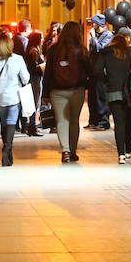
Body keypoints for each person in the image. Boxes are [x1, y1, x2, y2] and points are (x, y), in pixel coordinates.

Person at [43, 21, 91, 163]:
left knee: (61, 120)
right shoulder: (81, 50)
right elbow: (90, 70)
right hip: (77, 89)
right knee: (74, 120)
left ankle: (65, 151)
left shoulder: (54, 50)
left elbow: (48, 73)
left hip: (57, 91)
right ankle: (73, 150)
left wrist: (45, 94)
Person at [95, 32, 131, 163]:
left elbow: (97, 71)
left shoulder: (106, 52)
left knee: (119, 124)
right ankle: (128, 150)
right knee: (129, 123)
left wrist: (108, 80)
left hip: (114, 92)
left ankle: (121, 155)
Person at [0, 33, 30, 166]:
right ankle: (7, 148)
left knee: (4, 123)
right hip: (14, 96)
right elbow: (26, 78)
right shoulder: (18, 59)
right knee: (10, 123)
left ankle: (7, 151)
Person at [85, 13, 113, 131]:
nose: (92, 25)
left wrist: (93, 38)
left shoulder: (108, 35)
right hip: (93, 71)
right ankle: (93, 121)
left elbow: (98, 49)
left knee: (101, 97)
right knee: (92, 98)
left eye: (93, 23)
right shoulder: (96, 35)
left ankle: (103, 122)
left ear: (98, 24)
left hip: (102, 72)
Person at [24, 31, 45, 136]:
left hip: (35, 78)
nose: (43, 40)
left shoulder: (33, 49)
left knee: (35, 102)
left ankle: (31, 126)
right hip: (35, 79)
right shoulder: (34, 51)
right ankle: (32, 127)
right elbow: (34, 67)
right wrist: (43, 66)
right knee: (35, 102)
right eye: (41, 38)